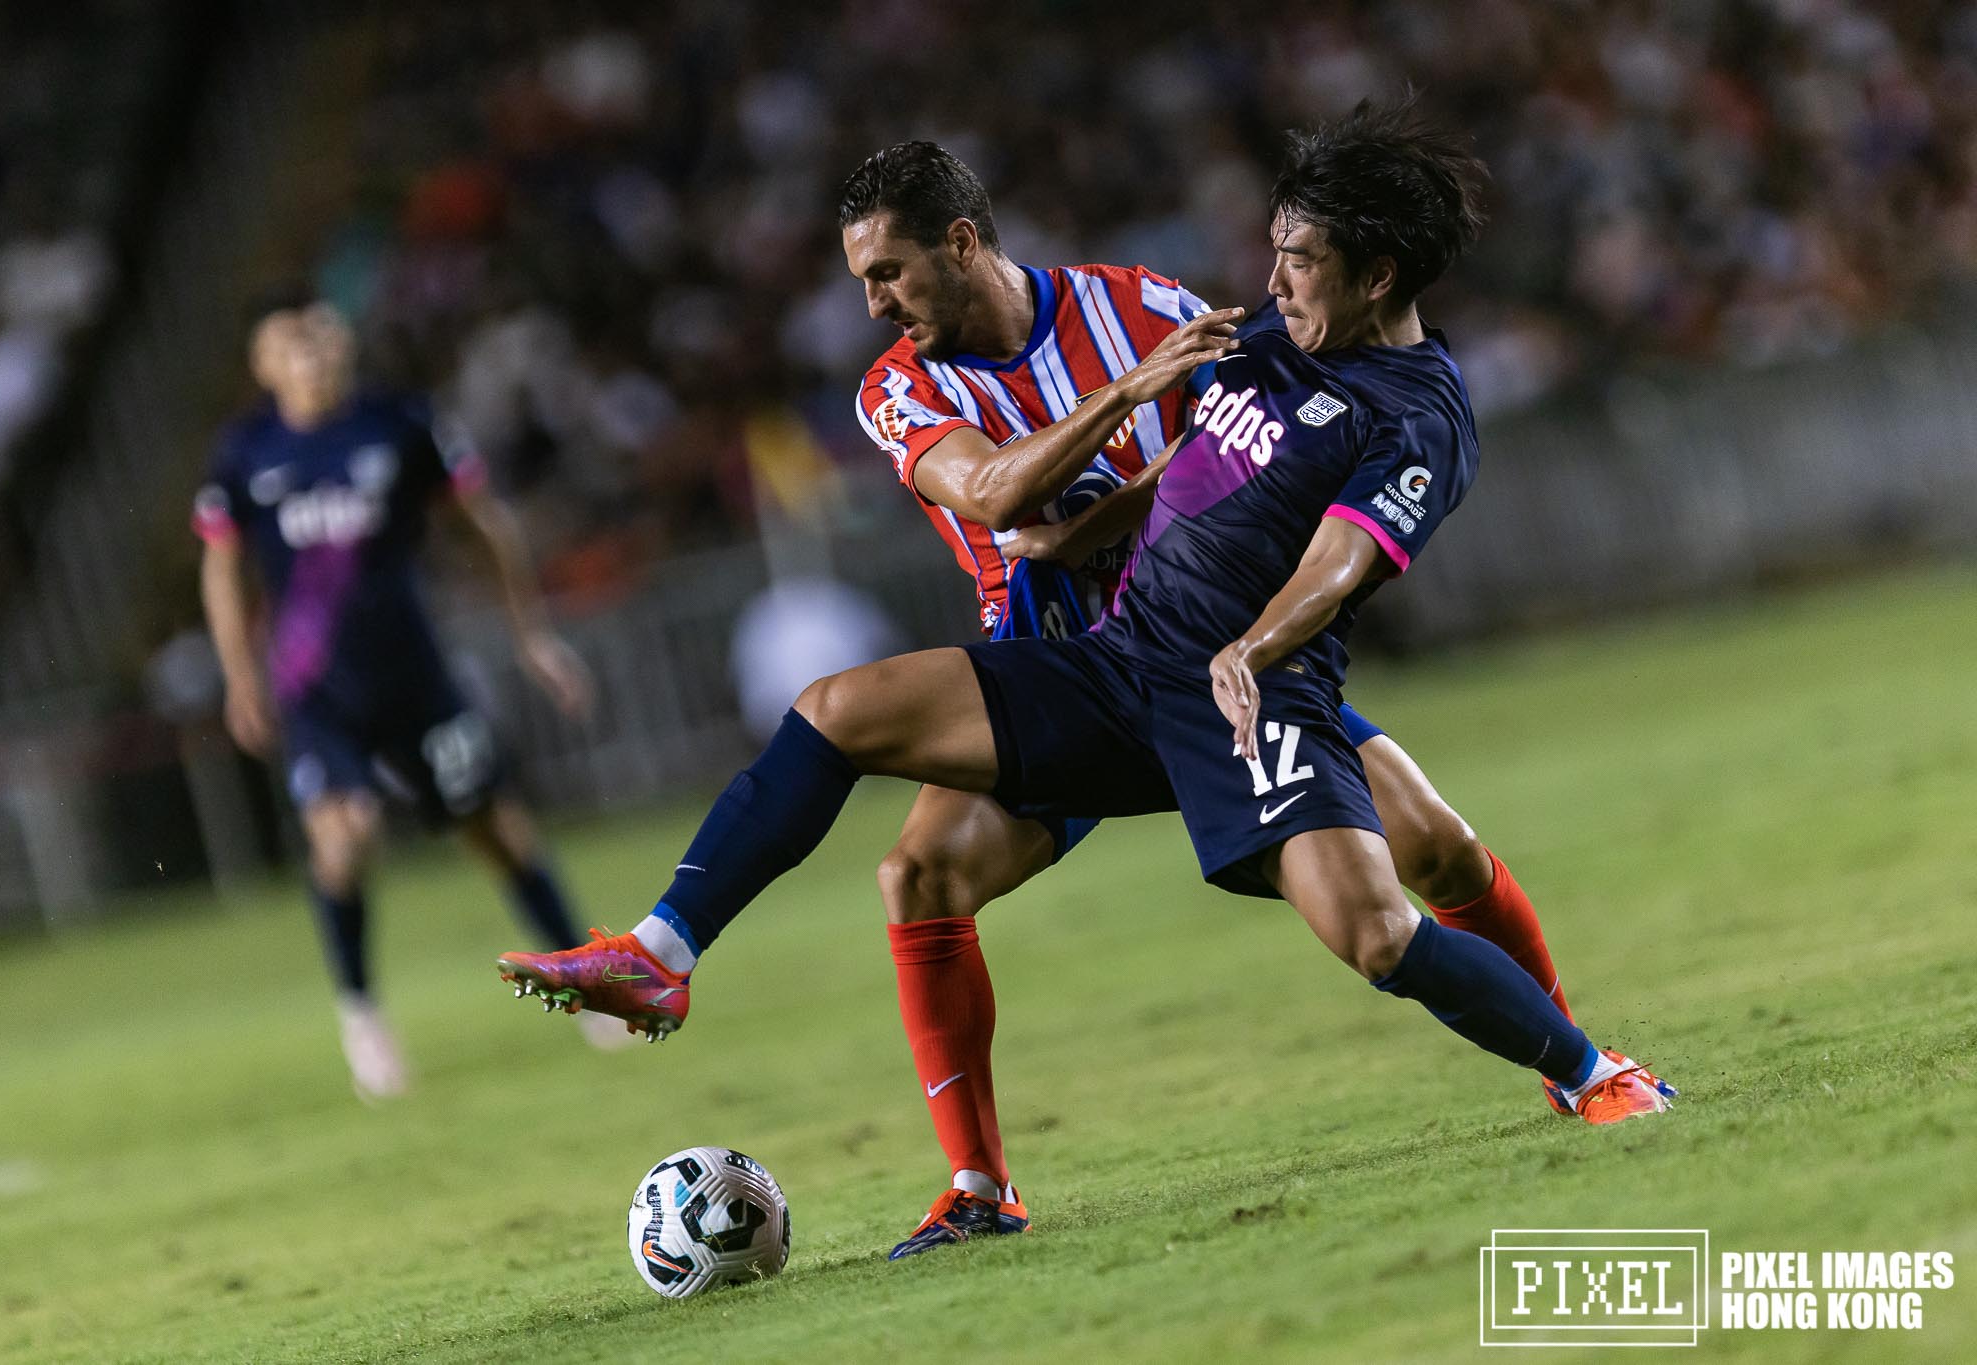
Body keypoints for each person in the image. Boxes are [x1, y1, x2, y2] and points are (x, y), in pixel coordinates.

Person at [499, 107, 1675, 1245]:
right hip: (1090, 660)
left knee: (1408, 887)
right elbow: (1123, 470)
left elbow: (1336, 551)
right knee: (875, 792)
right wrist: (1085, 524)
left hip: (1239, 679)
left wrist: (1250, 646)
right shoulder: (913, 383)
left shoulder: (1320, 376)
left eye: (891, 272)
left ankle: (1584, 1066)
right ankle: (693, 979)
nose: (876, 304)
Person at [196, 290, 616, 1101]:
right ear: (263, 364)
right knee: (344, 839)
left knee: (495, 829)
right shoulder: (244, 452)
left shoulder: (400, 422)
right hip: (316, 689)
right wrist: (240, 677)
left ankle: (583, 979)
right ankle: (361, 1014)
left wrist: (532, 634)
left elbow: (480, 523)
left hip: (416, 678)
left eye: (322, 336)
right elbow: (220, 565)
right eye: (292, 342)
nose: (313, 353)